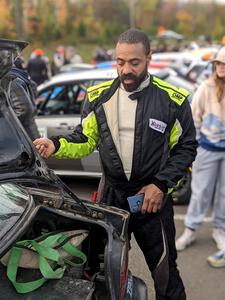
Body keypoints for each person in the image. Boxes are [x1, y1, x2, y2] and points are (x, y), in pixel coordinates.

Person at [33, 28, 197, 299]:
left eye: (134, 62)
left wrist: (161, 184)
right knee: (102, 270)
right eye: (120, 62)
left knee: (165, 273)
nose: (126, 70)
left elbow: (186, 147)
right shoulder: (98, 97)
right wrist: (57, 145)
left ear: (149, 58)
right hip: (111, 197)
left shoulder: (173, 100)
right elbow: (85, 139)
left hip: (152, 199)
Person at [176, 46, 225, 252]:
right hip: (206, 148)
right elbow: (194, 120)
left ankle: (219, 230)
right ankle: (190, 230)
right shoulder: (205, 88)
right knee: (200, 192)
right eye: (219, 63)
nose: (221, 67)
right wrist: (193, 149)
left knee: (224, 194)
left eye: (224, 64)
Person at [2, 58, 40, 140]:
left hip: (24, 138)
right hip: (26, 136)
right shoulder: (15, 76)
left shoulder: (9, 79)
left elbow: (23, 110)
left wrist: (5, 125)